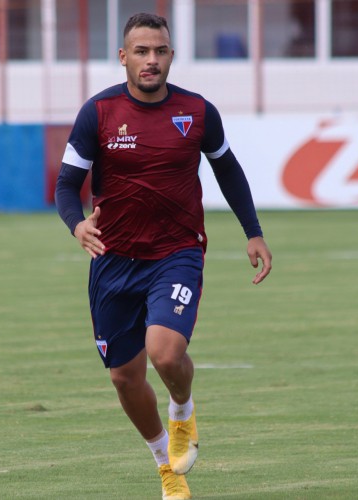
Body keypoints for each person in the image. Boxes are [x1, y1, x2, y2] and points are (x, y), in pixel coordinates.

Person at [55, 12, 272, 500]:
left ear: (171, 55)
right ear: (124, 58)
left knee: (166, 353)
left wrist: (253, 232)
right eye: (141, 52)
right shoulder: (99, 112)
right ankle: (166, 470)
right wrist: (77, 224)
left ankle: (182, 408)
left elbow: (229, 171)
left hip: (176, 252)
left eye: (160, 51)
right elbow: (67, 185)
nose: (151, 61)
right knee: (123, 377)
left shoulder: (197, 112)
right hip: (113, 260)